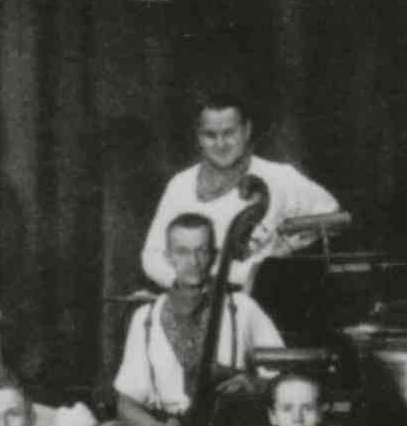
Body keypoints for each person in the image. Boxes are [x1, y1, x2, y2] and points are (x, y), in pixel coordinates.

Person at [139, 93, 346, 316]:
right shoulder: (180, 184)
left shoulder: (280, 177)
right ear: (198, 137)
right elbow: (152, 254)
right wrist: (188, 286)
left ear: (247, 131)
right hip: (192, 308)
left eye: (229, 133)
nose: (220, 144)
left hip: (258, 306)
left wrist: (283, 250)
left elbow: (334, 217)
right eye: (210, 135)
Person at [113, 213, 284, 426]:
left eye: (202, 251)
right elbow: (125, 406)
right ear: (169, 257)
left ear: (214, 256)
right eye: (182, 251)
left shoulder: (242, 308)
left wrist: (254, 384)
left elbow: (283, 383)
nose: (193, 261)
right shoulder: (146, 317)